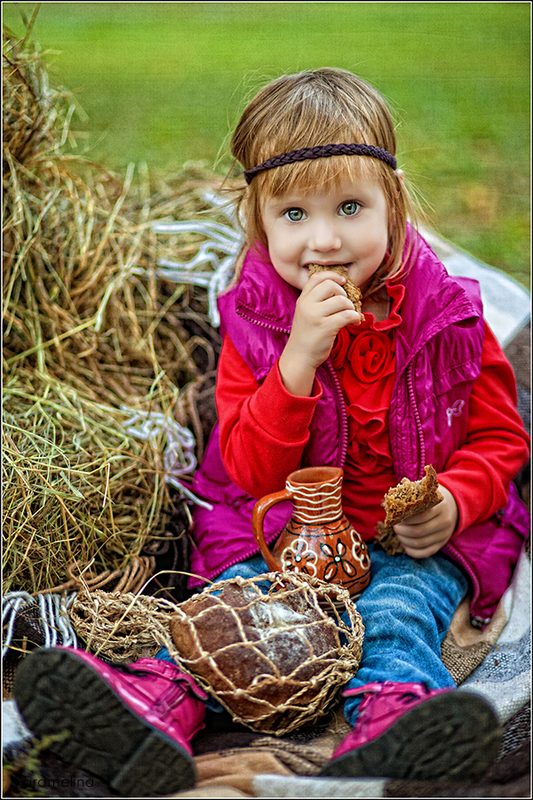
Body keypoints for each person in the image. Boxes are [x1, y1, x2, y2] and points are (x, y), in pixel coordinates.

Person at [14, 68, 530, 793]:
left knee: (397, 612)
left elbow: (501, 439)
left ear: (393, 202)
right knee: (231, 610)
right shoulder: (254, 322)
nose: (324, 240)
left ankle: (400, 721)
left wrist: (453, 502)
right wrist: (296, 362)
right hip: (281, 532)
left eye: (349, 207)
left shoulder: (446, 314)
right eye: (293, 214)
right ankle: (151, 705)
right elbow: (249, 469)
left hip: (404, 544)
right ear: (257, 220)